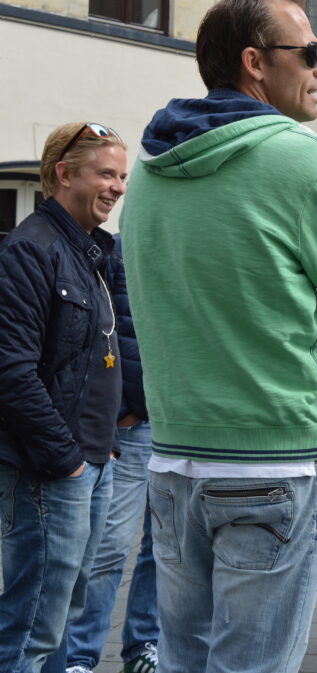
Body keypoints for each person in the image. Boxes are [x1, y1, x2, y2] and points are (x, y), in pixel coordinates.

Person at [118, 0, 317, 671]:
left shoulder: (149, 175)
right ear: (255, 64)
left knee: (184, 660)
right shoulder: (304, 161)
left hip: (175, 460)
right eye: (309, 53)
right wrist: (315, 301)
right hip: (275, 461)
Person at [0, 121, 127, 672]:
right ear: (64, 174)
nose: (118, 186)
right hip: (53, 470)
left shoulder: (91, 252)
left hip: (93, 460)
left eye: (122, 176)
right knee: (32, 624)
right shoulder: (32, 249)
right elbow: (11, 372)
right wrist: (68, 462)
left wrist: (103, 449)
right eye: (106, 173)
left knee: (62, 614)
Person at [51, 235, 160, 673]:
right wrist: (124, 411)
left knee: (164, 551)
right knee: (107, 549)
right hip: (131, 431)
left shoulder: (196, 248)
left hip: (181, 430)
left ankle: (142, 647)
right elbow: (97, 336)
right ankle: (80, 655)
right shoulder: (115, 254)